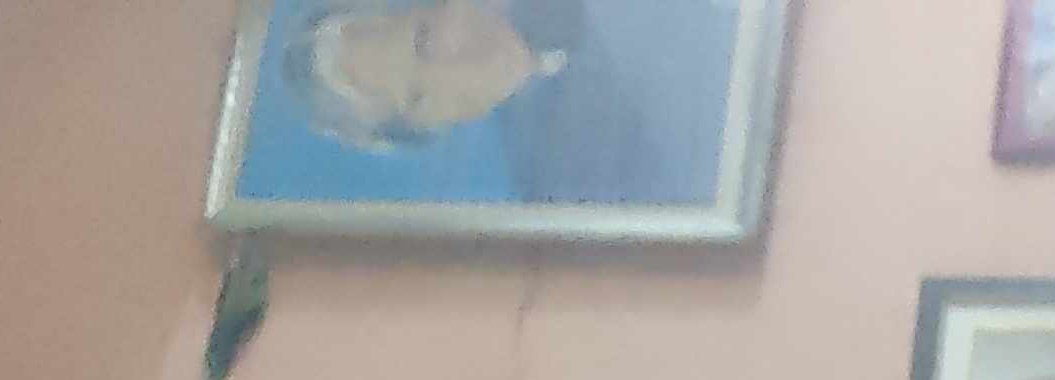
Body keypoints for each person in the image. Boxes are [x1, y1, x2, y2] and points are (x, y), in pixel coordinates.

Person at [278, 0, 742, 210]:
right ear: (431, 127)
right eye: (419, 96)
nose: (450, 69)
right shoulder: (566, 189)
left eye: (424, 40)